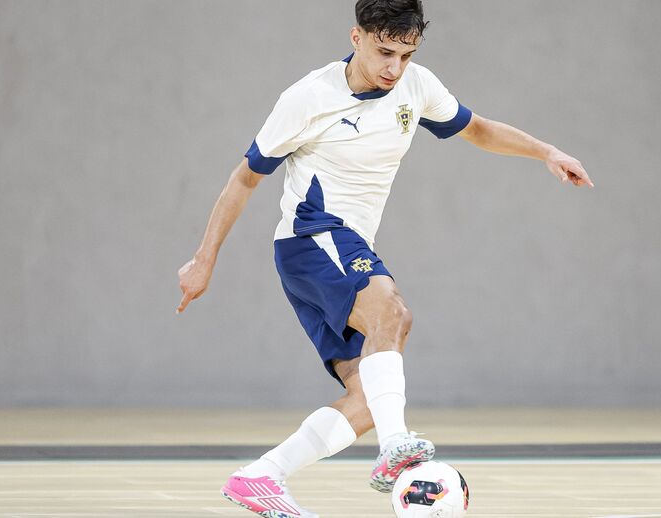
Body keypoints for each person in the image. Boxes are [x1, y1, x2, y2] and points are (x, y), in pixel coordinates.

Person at [177, 1, 592, 516]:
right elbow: (245, 178)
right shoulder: (308, 97)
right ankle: (396, 448)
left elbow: (477, 128)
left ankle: (260, 476)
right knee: (392, 311)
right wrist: (203, 260)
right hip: (314, 238)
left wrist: (547, 151)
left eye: (406, 53)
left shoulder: (416, 86)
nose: (394, 67)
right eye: (383, 52)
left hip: (345, 249)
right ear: (356, 37)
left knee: (369, 396)